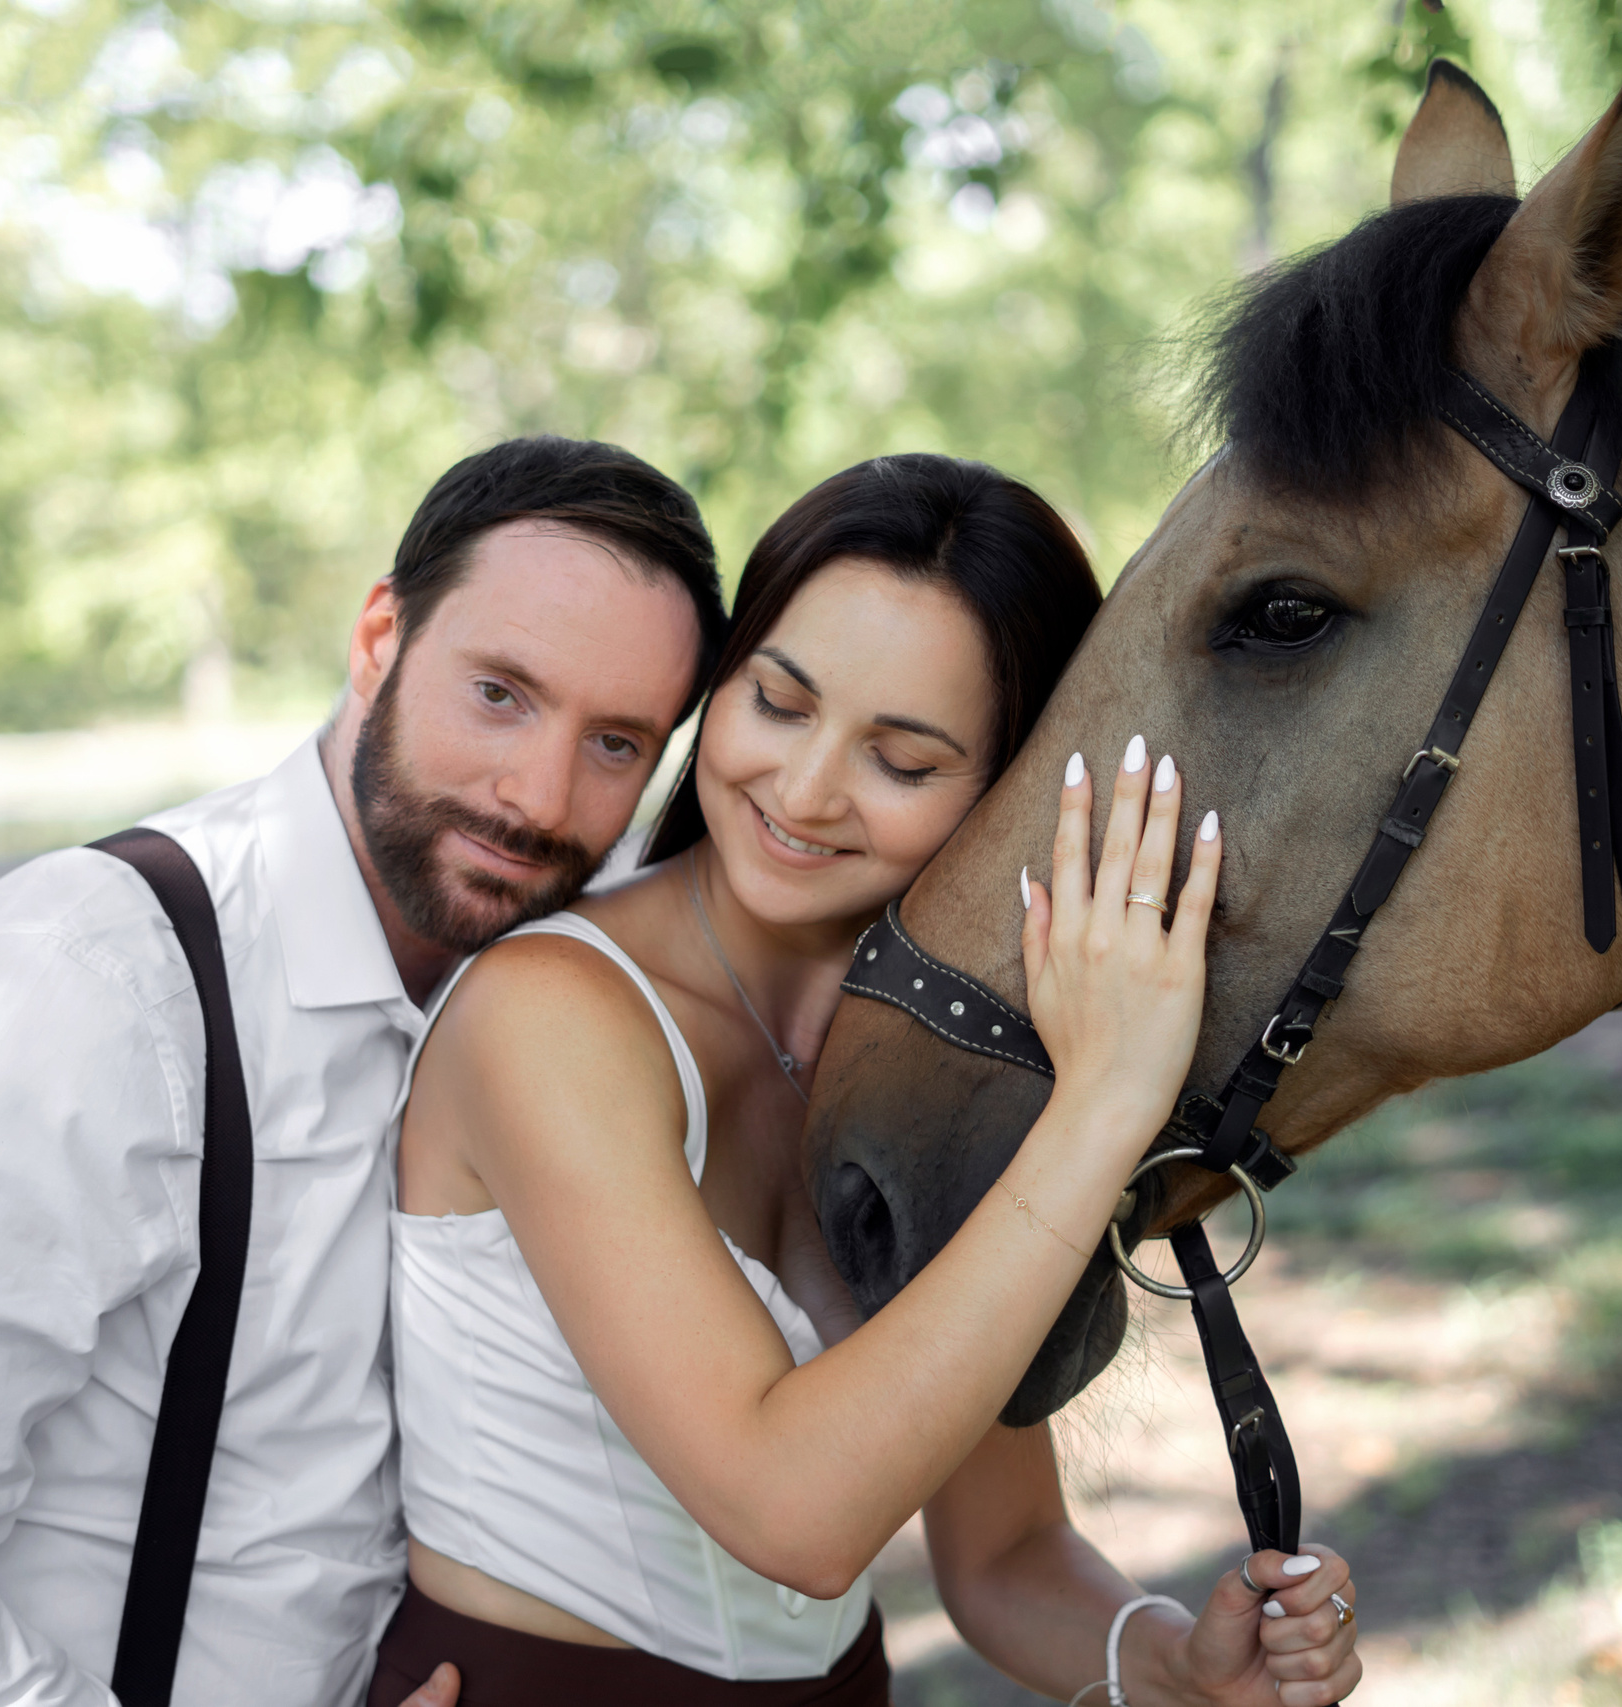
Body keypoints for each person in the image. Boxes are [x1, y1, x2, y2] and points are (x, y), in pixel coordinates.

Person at [0, 437, 730, 1707]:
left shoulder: (553, 1007)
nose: (538, 794)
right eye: (500, 694)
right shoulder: (83, 984)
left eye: (619, 744)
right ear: (379, 641)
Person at [373, 455, 1365, 1707]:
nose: (801, 791)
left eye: (902, 762)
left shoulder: (936, 1060)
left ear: (1007, 788)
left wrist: (1171, 1663)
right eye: (777, 704)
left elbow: (1002, 1555)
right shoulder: (550, 1014)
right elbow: (792, 1512)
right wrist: (1105, 1104)